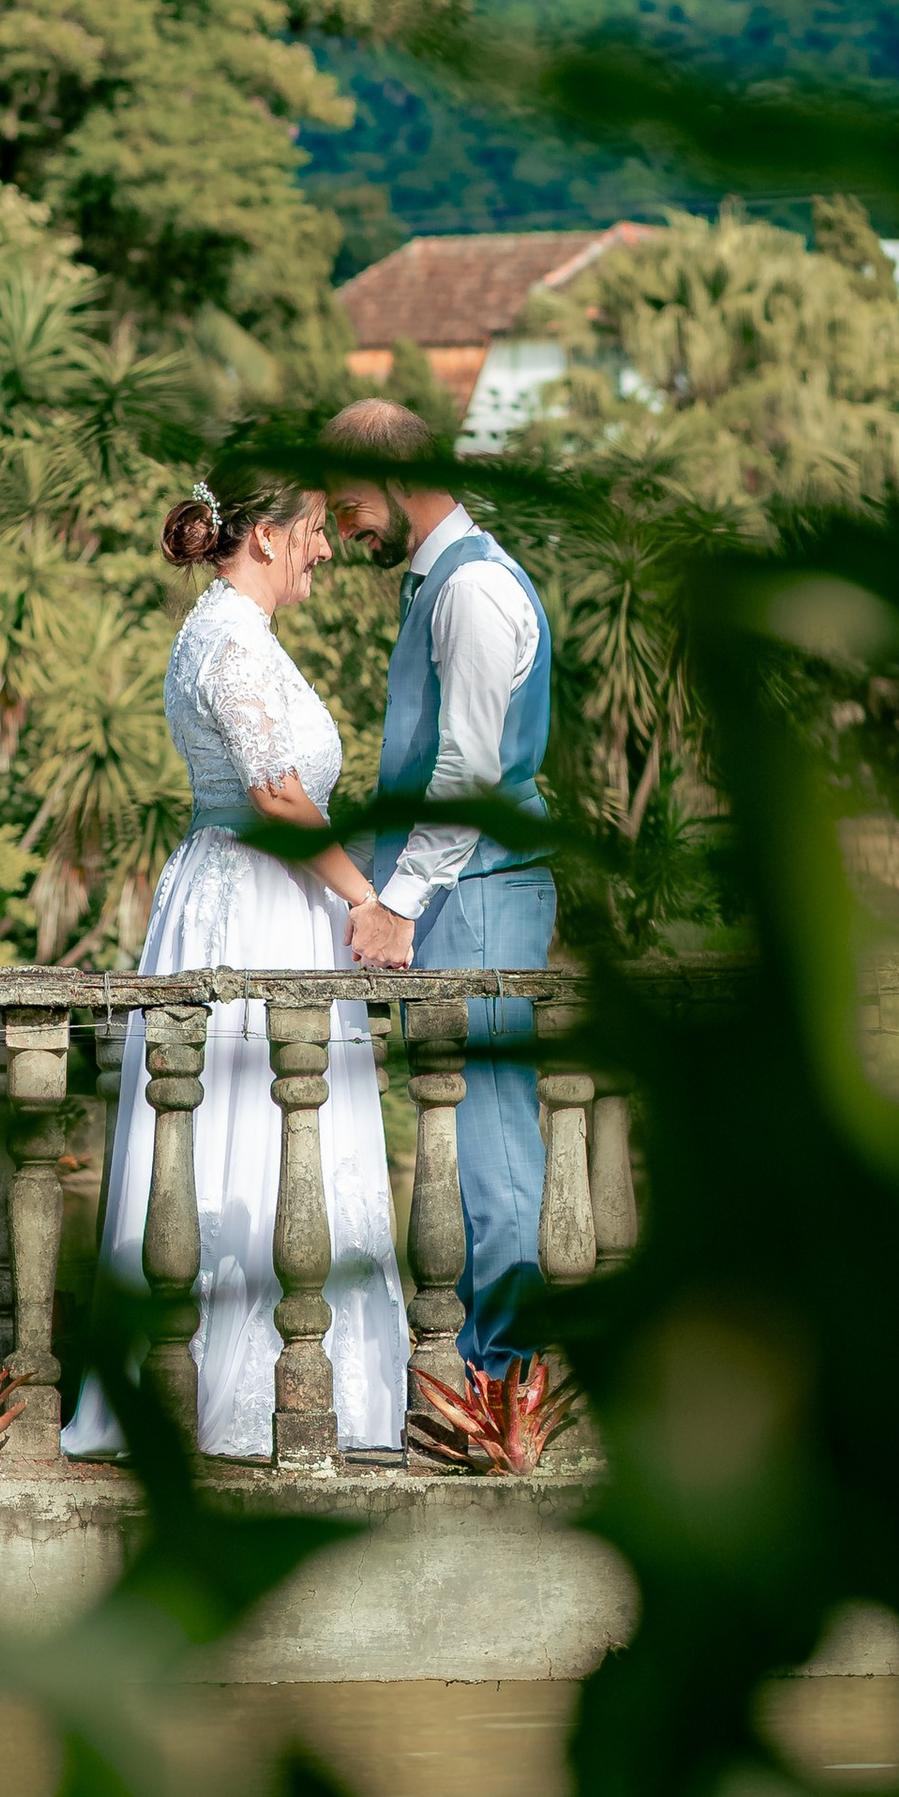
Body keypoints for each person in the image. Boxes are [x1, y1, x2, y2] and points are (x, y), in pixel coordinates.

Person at [63, 466, 409, 1462]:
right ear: (261, 536)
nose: (325, 547)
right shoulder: (226, 641)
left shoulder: (236, 636)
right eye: (311, 530)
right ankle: (231, 1389)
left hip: (263, 901)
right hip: (249, 909)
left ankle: (300, 1375)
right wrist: (367, 901)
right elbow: (278, 796)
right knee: (237, 1123)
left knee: (275, 1127)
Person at [323, 397, 555, 1372]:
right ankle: (481, 1364)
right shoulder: (440, 584)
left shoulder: (470, 592)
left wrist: (396, 904)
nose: (341, 528)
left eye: (345, 506)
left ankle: (506, 1381)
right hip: (464, 895)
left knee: (492, 1141)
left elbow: (467, 771)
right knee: (462, 1139)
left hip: (482, 896)